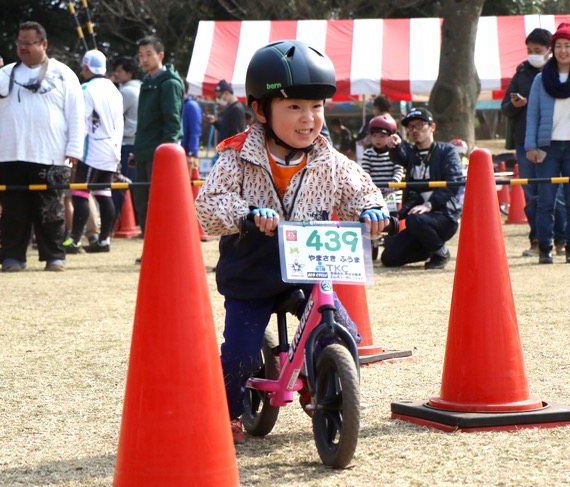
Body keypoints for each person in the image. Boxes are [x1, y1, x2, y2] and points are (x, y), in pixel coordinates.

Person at [195, 39, 388, 444]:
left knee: (343, 334)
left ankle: (322, 381)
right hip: (252, 269)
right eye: (295, 107)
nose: (308, 119)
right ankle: (225, 413)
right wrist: (246, 214)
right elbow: (209, 205)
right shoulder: (236, 156)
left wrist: (372, 209)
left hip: (308, 268)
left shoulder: (328, 159)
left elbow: (360, 191)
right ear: (261, 110)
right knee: (241, 354)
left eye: (316, 107)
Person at [0, 21, 85, 272]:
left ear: (43, 44)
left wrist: (75, 150)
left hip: (52, 155)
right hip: (10, 155)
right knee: (14, 211)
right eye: (19, 43)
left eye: (28, 42)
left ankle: (54, 257)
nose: (22, 47)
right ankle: (13, 257)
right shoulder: (5, 73)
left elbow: (76, 115)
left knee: (50, 210)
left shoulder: (64, 73)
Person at [525, 22, 570, 265]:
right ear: (552, 49)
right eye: (559, 46)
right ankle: (545, 247)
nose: (563, 51)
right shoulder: (540, 79)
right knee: (545, 200)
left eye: (568, 46)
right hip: (547, 147)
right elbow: (532, 114)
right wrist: (530, 146)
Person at [502, 28, 567, 258]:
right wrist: (515, 105)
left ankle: (561, 239)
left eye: (537, 50)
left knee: (553, 191)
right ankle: (537, 240)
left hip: (553, 141)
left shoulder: (560, 72)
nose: (532, 54)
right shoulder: (521, 72)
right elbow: (505, 108)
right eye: (529, 50)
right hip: (524, 142)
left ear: (550, 50)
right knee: (532, 194)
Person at [381, 107, 464, 270]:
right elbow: (400, 156)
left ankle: (441, 252)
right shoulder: (412, 153)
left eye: (419, 125)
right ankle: (429, 248)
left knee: (414, 218)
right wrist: (393, 145)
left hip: (444, 216)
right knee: (389, 257)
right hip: (417, 220)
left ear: (432, 127)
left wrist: (429, 205)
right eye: (411, 127)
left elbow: (453, 184)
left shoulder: (447, 151)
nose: (414, 130)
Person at [63, 50, 123, 254]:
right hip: (112, 149)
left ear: (86, 67)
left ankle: (74, 240)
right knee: (103, 193)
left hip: (92, 150)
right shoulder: (114, 89)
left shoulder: (86, 89)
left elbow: (81, 122)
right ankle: (104, 240)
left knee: (80, 193)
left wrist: (74, 150)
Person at [132, 35, 183, 244]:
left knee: (160, 203)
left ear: (160, 55)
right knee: (142, 202)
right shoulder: (147, 81)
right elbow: (144, 123)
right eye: (141, 55)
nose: (144, 59)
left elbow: (173, 123)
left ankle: (164, 246)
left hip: (160, 153)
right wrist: (137, 150)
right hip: (143, 151)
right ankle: (151, 248)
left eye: (149, 54)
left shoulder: (169, 83)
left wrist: (166, 153)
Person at [111, 56, 141, 226]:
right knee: (135, 183)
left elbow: (114, 115)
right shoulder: (142, 88)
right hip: (138, 141)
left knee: (120, 184)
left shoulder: (126, 92)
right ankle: (133, 220)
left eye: (120, 71)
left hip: (127, 142)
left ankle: (117, 221)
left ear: (129, 73)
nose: (117, 73)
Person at [181, 79, 202, 174]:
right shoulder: (181, 105)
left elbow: (195, 132)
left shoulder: (191, 106)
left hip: (188, 155)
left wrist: (191, 154)